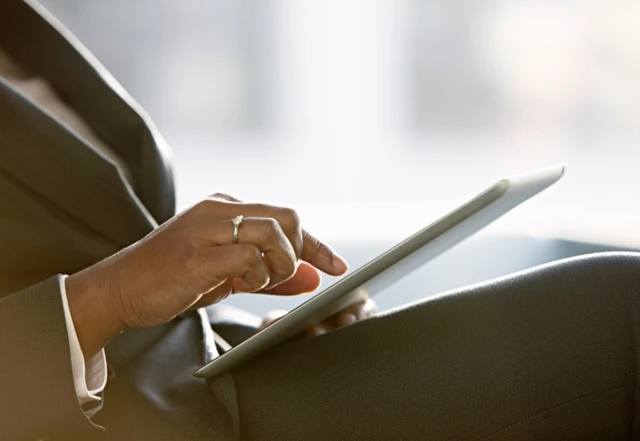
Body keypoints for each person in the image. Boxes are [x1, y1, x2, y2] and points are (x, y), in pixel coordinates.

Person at [2, 1, 640, 440]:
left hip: (216, 386)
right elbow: (105, 295)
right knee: (620, 314)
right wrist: (108, 295)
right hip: (142, 427)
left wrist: (251, 336)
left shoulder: (26, 33)